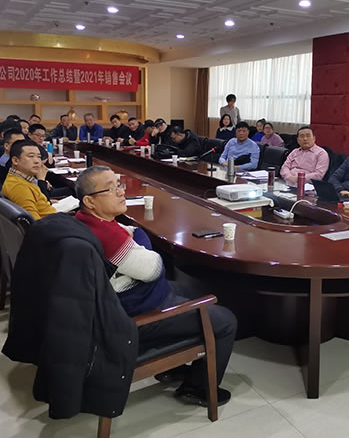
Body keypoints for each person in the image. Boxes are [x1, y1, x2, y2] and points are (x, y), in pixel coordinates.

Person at [74, 166, 237, 407]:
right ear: (89, 200)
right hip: (134, 318)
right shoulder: (107, 237)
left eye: (119, 185)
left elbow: (131, 237)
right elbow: (154, 268)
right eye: (111, 188)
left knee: (193, 291)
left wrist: (136, 240)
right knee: (225, 321)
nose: (121, 192)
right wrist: (140, 239)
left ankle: (172, 368)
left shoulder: (87, 220)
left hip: (122, 303)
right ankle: (197, 389)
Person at [2, 139, 57, 220]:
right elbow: (34, 223)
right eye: (31, 156)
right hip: (52, 224)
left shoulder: (24, 179)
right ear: (15, 160)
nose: (37, 161)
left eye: (39, 157)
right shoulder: (19, 187)